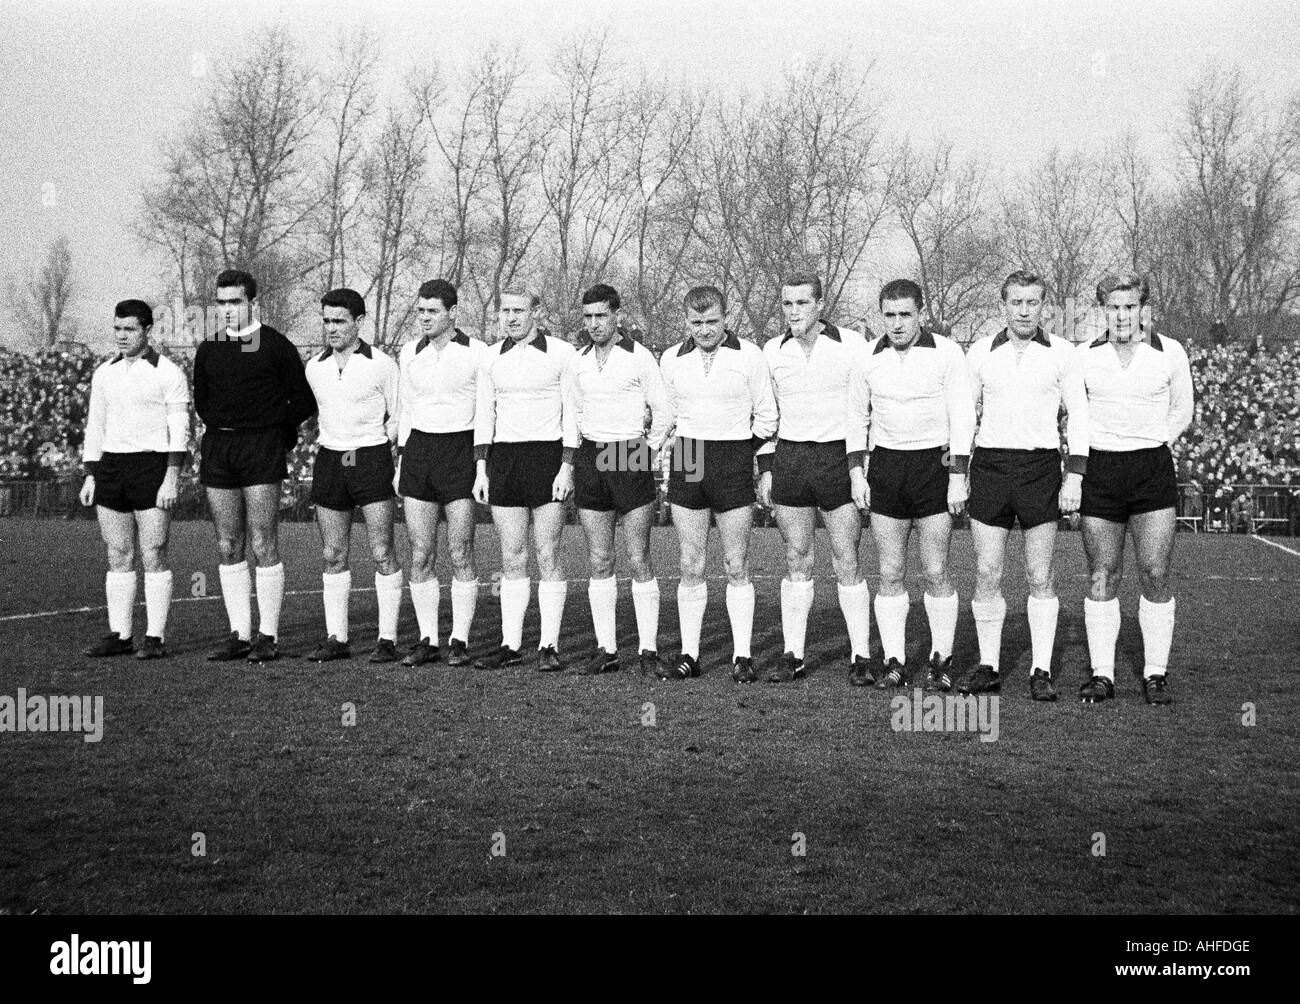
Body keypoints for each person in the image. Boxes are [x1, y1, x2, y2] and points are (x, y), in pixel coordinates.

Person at [960, 271, 1089, 702]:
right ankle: (989, 666)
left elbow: (1080, 414)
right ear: (1003, 305)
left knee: (1039, 573)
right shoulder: (980, 352)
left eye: (1032, 302)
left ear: (1042, 306)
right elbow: (963, 416)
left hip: (1040, 467)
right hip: (991, 467)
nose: (1023, 310)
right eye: (1016, 302)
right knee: (987, 570)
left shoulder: (1063, 353)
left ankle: (1041, 669)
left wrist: (1075, 474)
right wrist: (958, 473)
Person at [1071, 272, 1194, 705]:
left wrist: (1152, 439)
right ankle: (1102, 674)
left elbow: (1183, 409)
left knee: (1155, 572)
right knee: (1103, 574)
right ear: (1102, 310)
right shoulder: (1084, 355)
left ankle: (1155, 673)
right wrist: (1079, 469)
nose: (1122, 315)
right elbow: (1078, 418)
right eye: (1113, 307)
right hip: (1101, 471)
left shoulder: (1170, 352)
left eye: (1130, 306)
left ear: (1143, 308)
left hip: (1151, 469)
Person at [846, 279, 975, 690]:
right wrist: (856, 473)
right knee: (891, 570)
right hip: (886, 464)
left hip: (933, 465)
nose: (897, 324)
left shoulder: (947, 353)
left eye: (905, 314)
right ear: (881, 315)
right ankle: (896, 659)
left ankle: (942, 659)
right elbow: (856, 418)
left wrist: (958, 474)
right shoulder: (868, 357)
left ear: (920, 313)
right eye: (889, 315)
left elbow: (963, 414)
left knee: (936, 568)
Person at [194, 269, 316, 663]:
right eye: (222, 302)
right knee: (228, 543)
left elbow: (302, 401)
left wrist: (273, 430)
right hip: (220, 447)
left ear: (253, 304)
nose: (228, 309)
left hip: (261, 448)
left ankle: (268, 635)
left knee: (263, 541)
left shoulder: (276, 346)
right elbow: (203, 402)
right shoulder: (209, 349)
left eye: (235, 302)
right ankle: (239, 634)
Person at [757, 272, 873, 683]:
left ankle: (861, 656)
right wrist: (767, 467)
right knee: (796, 557)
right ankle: (794, 654)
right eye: (787, 304)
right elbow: (766, 416)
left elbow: (865, 407)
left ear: (820, 305)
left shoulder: (852, 346)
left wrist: (859, 466)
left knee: (847, 558)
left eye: (802, 303)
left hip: (836, 458)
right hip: (790, 457)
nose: (794, 312)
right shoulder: (771, 351)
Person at [659, 286, 777, 682]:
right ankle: (690, 654)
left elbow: (767, 417)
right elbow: (666, 417)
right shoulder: (671, 359)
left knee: (735, 562)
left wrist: (746, 455)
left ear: (726, 317)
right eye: (696, 323)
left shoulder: (750, 355)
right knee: (691, 563)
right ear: (685, 321)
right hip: (689, 457)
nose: (704, 330)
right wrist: (647, 455)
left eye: (712, 321)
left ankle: (742, 656)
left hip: (732, 458)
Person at [567, 283, 673, 677]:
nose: (594, 324)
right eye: (588, 317)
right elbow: (571, 412)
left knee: (638, 556)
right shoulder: (577, 360)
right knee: (599, 558)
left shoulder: (639, 357)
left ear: (616, 316)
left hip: (629, 453)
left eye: (601, 316)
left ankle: (648, 649)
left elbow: (664, 410)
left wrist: (648, 450)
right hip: (592, 455)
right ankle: (606, 649)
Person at [472, 289, 578, 672]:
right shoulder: (489, 357)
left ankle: (548, 645)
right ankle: (510, 643)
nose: (511, 317)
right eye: (505, 310)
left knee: (548, 553)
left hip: (547, 458)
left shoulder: (562, 353)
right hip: (503, 460)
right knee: (511, 556)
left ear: (537, 311)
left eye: (519, 310)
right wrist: (482, 468)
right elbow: (484, 414)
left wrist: (567, 466)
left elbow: (572, 415)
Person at [79, 300, 190, 659]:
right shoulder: (104, 373)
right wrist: (91, 474)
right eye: (117, 329)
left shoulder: (168, 372)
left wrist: (172, 475)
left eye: (129, 329)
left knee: (154, 551)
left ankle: (154, 637)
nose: (122, 336)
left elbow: (180, 428)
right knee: (118, 553)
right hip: (111, 467)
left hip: (152, 467)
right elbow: (95, 425)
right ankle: (121, 634)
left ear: (147, 330)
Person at [302, 288, 402, 662]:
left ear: (359, 322)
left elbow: (398, 416)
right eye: (327, 320)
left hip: (371, 459)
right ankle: (337, 638)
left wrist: (381, 447)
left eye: (339, 321)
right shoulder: (314, 367)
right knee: (332, 553)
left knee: (381, 551)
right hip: (330, 461)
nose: (331, 328)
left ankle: (387, 639)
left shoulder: (382, 364)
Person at [396, 279, 487, 667]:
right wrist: (401, 462)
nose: (425, 318)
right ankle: (428, 638)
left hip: (459, 452)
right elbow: (405, 410)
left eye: (433, 311)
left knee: (460, 550)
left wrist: (481, 466)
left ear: (452, 313)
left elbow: (485, 412)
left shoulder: (478, 352)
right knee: (420, 553)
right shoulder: (408, 353)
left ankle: (460, 640)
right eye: (420, 311)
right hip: (418, 452)